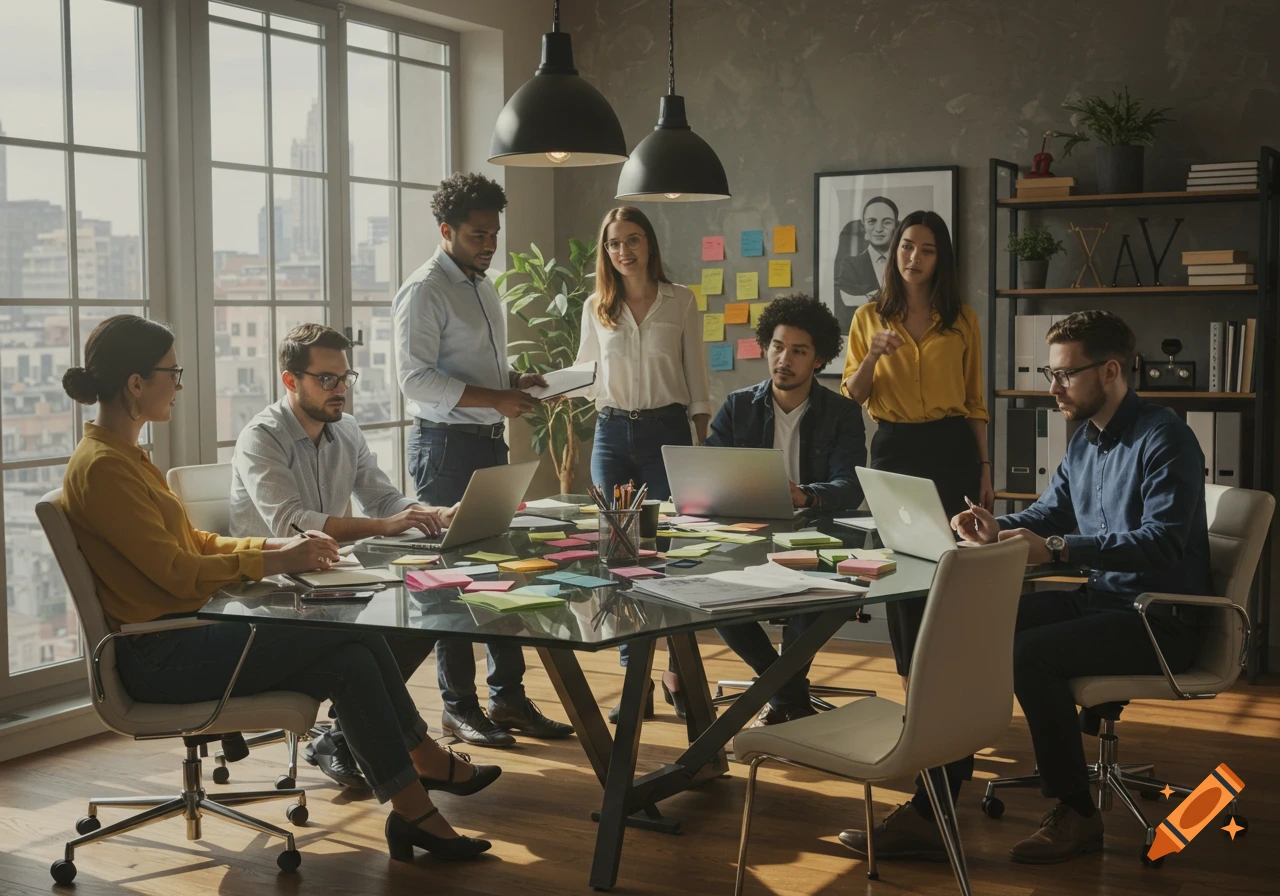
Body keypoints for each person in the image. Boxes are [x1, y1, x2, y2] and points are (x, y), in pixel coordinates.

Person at [59, 315, 498, 862]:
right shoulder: (104, 467)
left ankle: (414, 809)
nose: (179, 383)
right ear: (135, 383)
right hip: (160, 654)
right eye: (173, 372)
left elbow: (191, 541)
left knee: (354, 656)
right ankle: (424, 771)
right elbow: (174, 571)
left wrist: (269, 552)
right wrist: (274, 560)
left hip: (185, 637)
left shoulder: (126, 457)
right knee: (352, 641)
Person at [950, 310, 1209, 864]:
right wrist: (1003, 528)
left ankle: (1077, 814)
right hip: (1105, 602)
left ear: (1111, 370)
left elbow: (1162, 542)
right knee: (979, 623)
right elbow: (1051, 511)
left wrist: (1065, 549)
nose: (1053, 388)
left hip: (1161, 617)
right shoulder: (1086, 440)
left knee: (1029, 654)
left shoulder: (1167, 438)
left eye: (1065, 374)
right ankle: (939, 794)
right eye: (1050, 372)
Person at [229, 323, 458, 790]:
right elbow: (292, 522)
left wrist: (431, 513)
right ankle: (356, 741)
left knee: (432, 606)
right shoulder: (263, 436)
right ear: (291, 380)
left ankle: (339, 738)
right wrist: (385, 526)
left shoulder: (346, 430)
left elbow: (384, 501)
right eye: (326, 380)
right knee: (385, 628)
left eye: (345, 378)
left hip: (330, 577)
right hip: (272, 589)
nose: (340, 391)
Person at [393, 171, 571, 748]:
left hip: (487, 443)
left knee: (503, 576)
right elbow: (414, 379)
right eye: (477, 235)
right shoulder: (424, 290)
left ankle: (509, 699)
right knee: (451, 582)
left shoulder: (481, 284)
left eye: (493, 233)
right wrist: (496, 397)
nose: (489, 245)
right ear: (445, 231)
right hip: (445, 448)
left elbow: (468, 368)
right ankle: (459, 707)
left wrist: (516, 381)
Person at [837, 209, 992, 857]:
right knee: (906, 611)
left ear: (941, 258)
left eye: (927, 249)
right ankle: (934, 760)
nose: (914, 257)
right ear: (893, 252)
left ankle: (945, 771)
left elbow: (976, 401)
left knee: (950, 609)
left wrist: (984, 473)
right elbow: (851, 392)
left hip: (953, 453)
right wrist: (872, 354)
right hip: (895, 454)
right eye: (906, 246)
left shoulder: (962, 319)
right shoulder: (870, 316)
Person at [575, 206, 711, 721]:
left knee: (667, 556)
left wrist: (698, 444)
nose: (623, 251)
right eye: (613, 244)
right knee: (622, 556)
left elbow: (696, 376)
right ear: (605, 252)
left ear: (649, 244)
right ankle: (637, 681)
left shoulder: (681, 300)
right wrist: (544, 387)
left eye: (632, 240)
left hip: (665, 432)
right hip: (611, 434)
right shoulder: (597, 306)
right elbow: (586, 374)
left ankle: (678, 670)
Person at [708, 294, 867, 725]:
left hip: (817, 531)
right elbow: (708, 472)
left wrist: (806, 496)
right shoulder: (737, 407)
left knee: (820, 591)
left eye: (799, 351)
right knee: (710, 593)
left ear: (818, 360)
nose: (785, 359)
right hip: (746, 533)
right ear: (766, 346)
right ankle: (788, 692)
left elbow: (849, 486)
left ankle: (782, 694)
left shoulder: (842, 413)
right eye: (778, 347)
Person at [834, 195, 899, 329]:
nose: (879, 229)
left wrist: (867, 297)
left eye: (887, 222)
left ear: (896, 227)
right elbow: (847, 300)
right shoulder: (851, 264)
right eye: (871, 222)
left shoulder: (905, 263)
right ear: (864, 228)